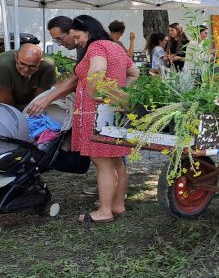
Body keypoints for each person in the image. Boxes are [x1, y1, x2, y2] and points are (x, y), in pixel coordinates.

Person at [68, 15, 139, 224]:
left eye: (78, 36)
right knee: (116, 159)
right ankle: (118, 204)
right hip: (113, 110)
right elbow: (134, 72)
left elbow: (98, 69)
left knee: (102, 162)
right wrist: (122, 93)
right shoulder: (115, 46)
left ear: (88, 31)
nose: (77, 41)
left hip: (95, 111)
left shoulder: (96, 46)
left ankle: (105, 210)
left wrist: (93, 92)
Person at [25, 16, 83, 117]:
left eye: (60, 39)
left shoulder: (87, 46)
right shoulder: (80, 47)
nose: (60, 44)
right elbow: (77, 74)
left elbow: (76, 80)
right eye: (56, 40)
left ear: (72, 31)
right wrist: (54, 89)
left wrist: (48, 98)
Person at [0, 44, 56, 111]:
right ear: (16, 57)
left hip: (28, 101)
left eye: (32, 66)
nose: (26, 69)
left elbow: (39, 98)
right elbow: (6, 102)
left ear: (40, 61)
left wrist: (31, 111)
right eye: (22, 64)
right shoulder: (3, 65)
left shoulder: (48, 65)